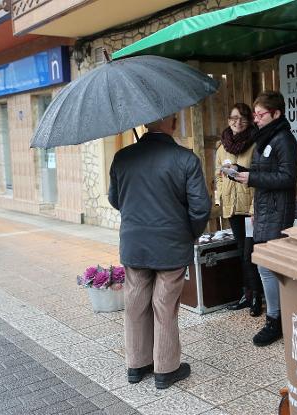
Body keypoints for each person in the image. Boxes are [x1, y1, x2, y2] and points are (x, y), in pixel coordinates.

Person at [108, 113, 211, 389]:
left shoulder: (122, 158)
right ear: (174, 123)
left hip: (134, 243)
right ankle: (165, 370)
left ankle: (136, 365)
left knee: (135, 303)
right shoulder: (186, 159)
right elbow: (200, 208)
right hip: (171, 245)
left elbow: (115, 199)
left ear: (144, 124)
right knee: (165, 306)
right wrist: (188, 233)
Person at [235, 91, 297, 346]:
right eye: (255, 114)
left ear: (276, 114)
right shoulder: (265, 139)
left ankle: (275, 320)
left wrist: (252, 178)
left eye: (261, 115)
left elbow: (287, 178)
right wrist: (241, 173)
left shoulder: (284, 139)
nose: (256, 119)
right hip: (264, 210)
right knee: (265, 265)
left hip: (277, 211)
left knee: (267, 266)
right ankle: (278, 316)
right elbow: (265, 174)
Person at [215, 103, 263, 317]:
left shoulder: (256, 144)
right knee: (241, 251)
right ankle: (248, 294)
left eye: (243, 118)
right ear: (228, 120)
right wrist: (220, 198)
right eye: (234, 118)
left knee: (249, 253)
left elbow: (260, 177)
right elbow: (218, 175)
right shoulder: (221, 147)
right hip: (233, 209)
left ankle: (256, 297)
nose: (238, 121)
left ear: (250, 121)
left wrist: (255, 208)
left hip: (249, 209)